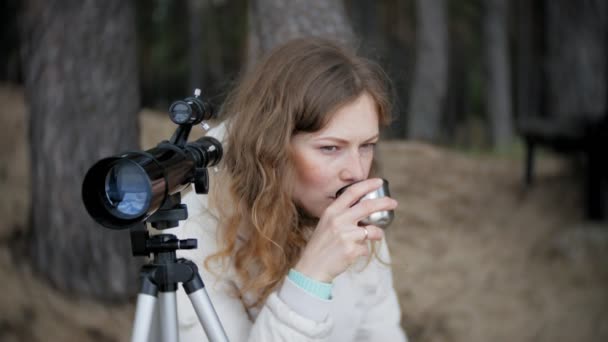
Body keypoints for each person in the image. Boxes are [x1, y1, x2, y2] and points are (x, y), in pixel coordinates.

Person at [171, 37, 407, 341]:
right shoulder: (194, 235)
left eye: (366, 146)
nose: (357, 173)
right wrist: (311, 278)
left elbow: (382, 333)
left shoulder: (352, 213)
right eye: (330, 148)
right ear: (272, 148)